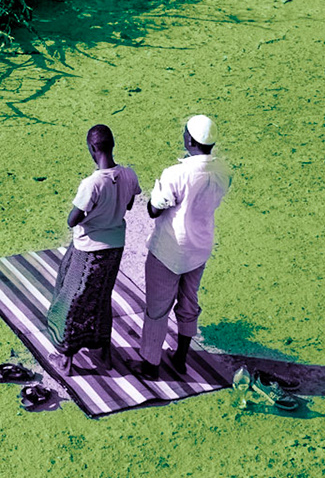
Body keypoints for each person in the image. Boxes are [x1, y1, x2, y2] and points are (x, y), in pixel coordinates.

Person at [136, 114, 234, 380]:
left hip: (169, 250)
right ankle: (180, 358)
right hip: (200, 248)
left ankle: (150, 364)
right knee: (189, 302)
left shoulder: (176, 173)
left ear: (190, 140)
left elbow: (154, 210)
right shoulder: (224, 171)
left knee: (157, 307)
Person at [46, 123, 140, 373]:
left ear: (92, 148)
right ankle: (102, 352)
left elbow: (72, 220)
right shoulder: (130, 175)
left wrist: (94, 214)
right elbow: (129, 205)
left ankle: (64, 357)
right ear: (112, 145)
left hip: (89, 250)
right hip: (115, 247)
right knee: (99, 299)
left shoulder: (92, 183)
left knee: (71, 299)